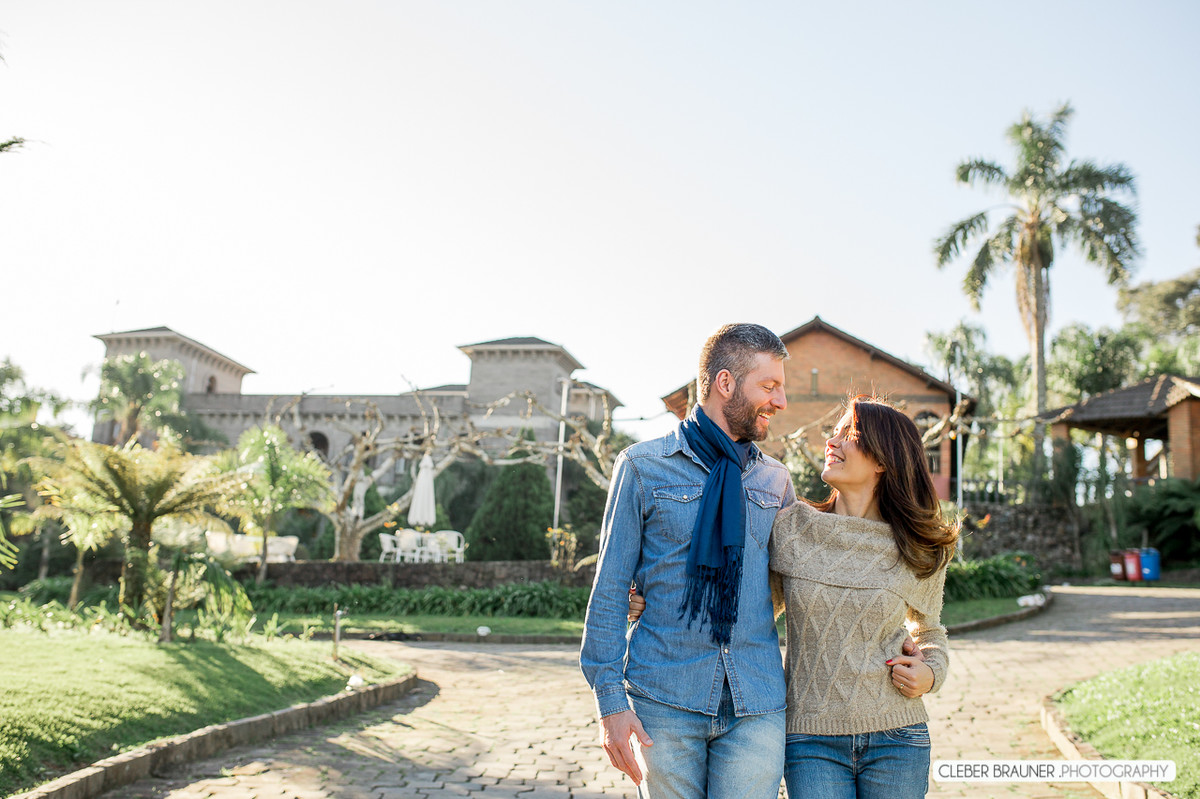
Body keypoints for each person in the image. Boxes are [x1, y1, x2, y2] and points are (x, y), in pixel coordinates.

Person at [579, 322, 796, 799]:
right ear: (725, 383)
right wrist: (610, 704)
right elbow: (611, 589)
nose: (780, 402)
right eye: (770, 386)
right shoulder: (641, 466)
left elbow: (793, 586)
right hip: (663, 700)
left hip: (755, 703)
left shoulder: (775, 481)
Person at [770, 395, 958, 798]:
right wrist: (655, 597)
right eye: (833, 432)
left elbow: (930, 632)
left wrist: (930, 674)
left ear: (883, 460)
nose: (832, 442)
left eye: (849, 433)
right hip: (810, 739)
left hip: (897, 737)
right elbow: (750, 613)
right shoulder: (793, 529)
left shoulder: (915, 546)